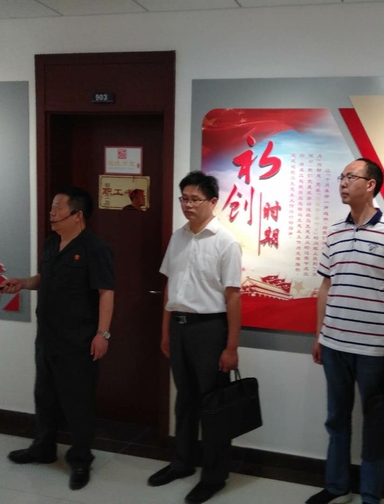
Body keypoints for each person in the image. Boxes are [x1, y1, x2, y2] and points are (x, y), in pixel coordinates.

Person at [307, 158, 384, 504]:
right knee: (336, 419)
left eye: (350, 177)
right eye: (341, 177)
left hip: (373, 350)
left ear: (370, 185)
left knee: (374, 423)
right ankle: (337, 486)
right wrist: (320, 336)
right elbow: (326, 287)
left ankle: (370, 496)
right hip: (334, 344)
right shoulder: (335, 231)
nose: (342, 182)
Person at [0, 187, 114, 491]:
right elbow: (44, 278)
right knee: (45, 396)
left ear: (77, 215)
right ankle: (43, 448)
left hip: (79, 341)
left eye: (57, 208)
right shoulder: (51, 243)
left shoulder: (95, 248)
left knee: (78, 402)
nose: (51, 213)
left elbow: (106, 292)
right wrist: (23, 283)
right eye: (51, 208)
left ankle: (81, 459)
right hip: (47, 337)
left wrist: (102, 333)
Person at [148, 171, 242, 504]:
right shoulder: (178, 238)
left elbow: (233, 296)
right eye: (184, 199)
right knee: (184, 399)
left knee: (213, 405)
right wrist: (165, 330)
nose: (187, 205)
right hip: (179, 327)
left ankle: (214, 476)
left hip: (210, 329)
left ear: (212, 202)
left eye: (194, 199)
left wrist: (231, 346)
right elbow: (169, 287)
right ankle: (182, 462)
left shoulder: (226, 242)